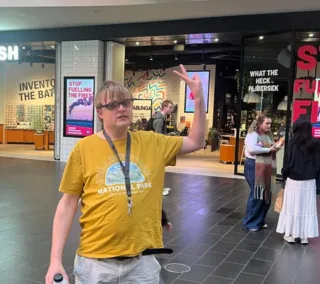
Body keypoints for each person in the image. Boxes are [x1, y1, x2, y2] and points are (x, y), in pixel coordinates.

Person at [45, 64, 206, 284]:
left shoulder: (152, 142)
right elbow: (67, 204)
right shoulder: (84, 149)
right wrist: (55, 261)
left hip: (142, 263)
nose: (121, 108)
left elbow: (196, 141)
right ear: (100, 113)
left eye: (126, 102)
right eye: (113, 105)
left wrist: (198, 100)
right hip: (95, 263)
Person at [276, 119, 319, 244]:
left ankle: (291, 234)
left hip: (294, 179)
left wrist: (285, 175)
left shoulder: (292, 144)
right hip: (310, 180)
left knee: (293, 206)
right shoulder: (316, 144)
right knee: (307, 206)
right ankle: (304, 235)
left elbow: (287, 163)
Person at [242, 114, 282, 232]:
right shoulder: (253, 135)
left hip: (263, 167)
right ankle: (249, 223)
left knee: (264, 195)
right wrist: (269, 149)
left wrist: (276, 147)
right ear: (259, 123)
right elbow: (252, 149)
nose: (269, 126)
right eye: (267, 123)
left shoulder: (266, 135)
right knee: (257, 194)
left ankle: (258, 220)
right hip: (253, 166)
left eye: (270, 124)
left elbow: (270, 148)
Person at [152, 100, 174, 197]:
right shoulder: (159, 120)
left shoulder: (160, 118)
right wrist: (168, 135)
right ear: (164, 107)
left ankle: (160, 187)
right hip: (155, 149)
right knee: (157, 169)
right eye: (170, 107)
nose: (171, 110)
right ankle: (158, 189)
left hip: (156, 148)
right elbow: (158, 136)